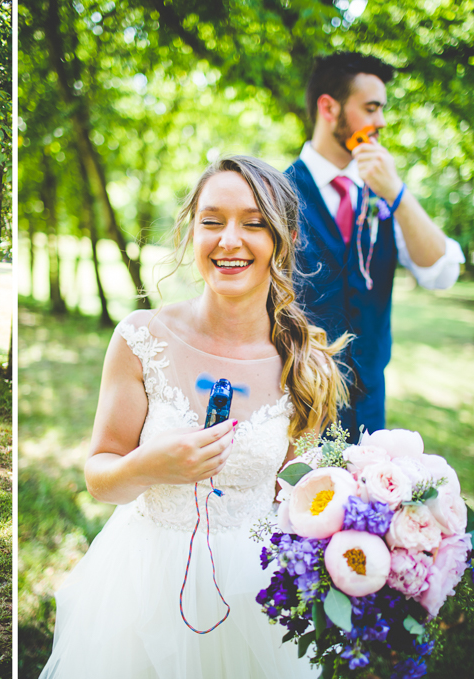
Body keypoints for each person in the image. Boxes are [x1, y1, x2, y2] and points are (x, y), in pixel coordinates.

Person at [40, 156, 348, 678]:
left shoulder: (304, 363)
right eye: (212, 221)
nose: (230, 240)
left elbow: (296, 505)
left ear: (285, 237)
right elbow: (100, 477)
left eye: (254, 223)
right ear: (190, 229)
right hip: (140, 588)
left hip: (253, 595)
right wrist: (149, 465)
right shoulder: (140, 338)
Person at [286, 52, 465, 440]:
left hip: (369, 413)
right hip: (295, 409)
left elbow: (443, 273)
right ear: (329, 108)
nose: (381, 122)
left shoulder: (387, 196)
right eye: (370, 108)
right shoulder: (275, 193)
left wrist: (397, 193)